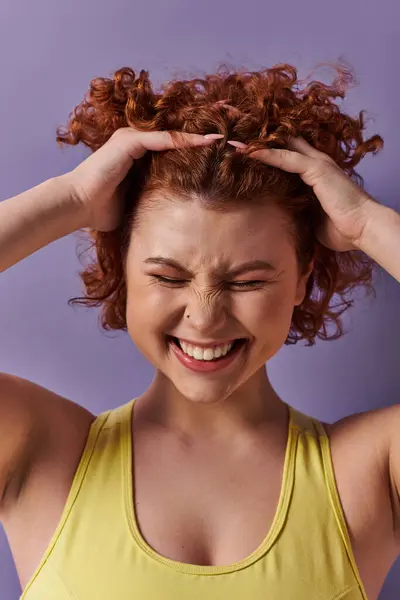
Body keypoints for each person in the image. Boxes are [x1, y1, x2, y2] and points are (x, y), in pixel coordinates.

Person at [0, 62, 399, 600]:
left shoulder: (369, 474)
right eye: (167, 276)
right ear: (122, 269)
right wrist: (70, 201)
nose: (205, 316)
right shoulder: (42, 452)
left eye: (249, 281)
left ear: (303, 279)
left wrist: (367, 224)